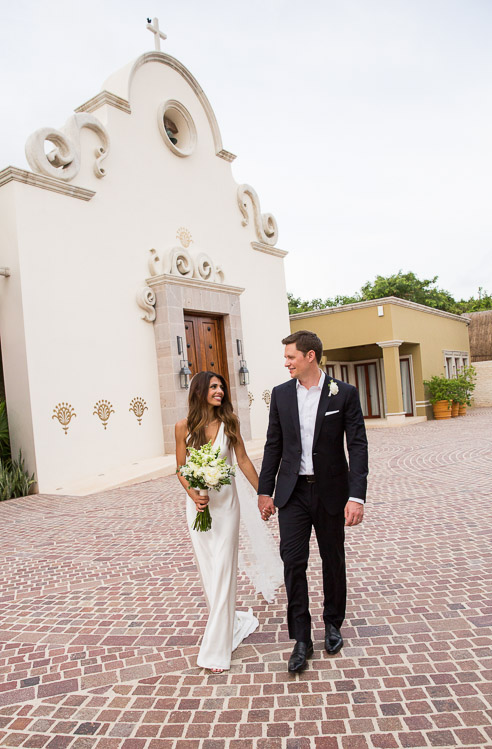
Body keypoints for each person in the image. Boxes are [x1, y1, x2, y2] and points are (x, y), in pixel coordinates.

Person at [258, 330, 368, 673]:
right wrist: (265, 490)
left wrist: (356, 496)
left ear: (310, 357)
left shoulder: (344, 394)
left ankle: (333, 623)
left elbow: (358, 446)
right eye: (286, 357)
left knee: (332, 558)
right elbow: (273, 444)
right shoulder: (280, 395)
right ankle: (301, 638)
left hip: (331, 491)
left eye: (291, 357)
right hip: (292, 492)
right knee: (292, 561)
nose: (286, 363)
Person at [176, 371, 281, 673]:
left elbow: (243, 460)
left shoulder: (229, 423)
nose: (220, 391)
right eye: (213, 387)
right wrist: (194, 494)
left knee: (224, 570)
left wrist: (264, 493)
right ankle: (227, 623)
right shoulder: (182, 427)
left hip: (226, 507)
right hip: (198, 508)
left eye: (221, 386)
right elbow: (181, 468)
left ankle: (215, 650)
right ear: (200, 391)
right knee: (210, 573)